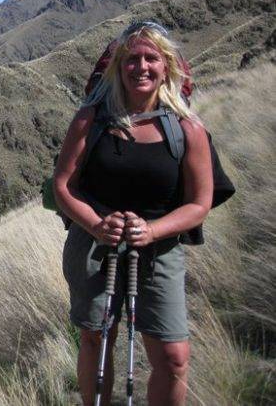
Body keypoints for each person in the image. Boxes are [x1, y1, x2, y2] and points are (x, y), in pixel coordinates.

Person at [53, 21, 213, 406]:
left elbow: (199, 203)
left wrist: (154, 231)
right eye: (132, 59)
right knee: (95, 339)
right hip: (95, 246)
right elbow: (62, 185)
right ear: (117, 67)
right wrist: (95, 224)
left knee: (174, 358)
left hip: (159, 249)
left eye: (151, 58)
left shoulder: (187, 129)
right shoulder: (90, 119)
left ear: (167, 66)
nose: (141, 67)